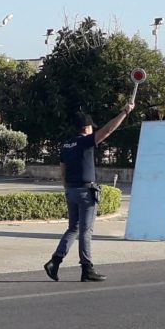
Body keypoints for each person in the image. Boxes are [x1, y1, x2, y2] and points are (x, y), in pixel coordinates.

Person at [44, 102, 135, 282]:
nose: (93, 131)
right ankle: (87, 268)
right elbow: (108, 130)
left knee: (73, 229)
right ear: (86, 128)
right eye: (91, 128)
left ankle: (55, 261)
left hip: (70, 190)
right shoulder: (86, 141)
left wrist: (68, 189)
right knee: (86, 231)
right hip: (86, 192)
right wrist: (125, 112)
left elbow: (62, 170)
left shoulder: (67, 145)